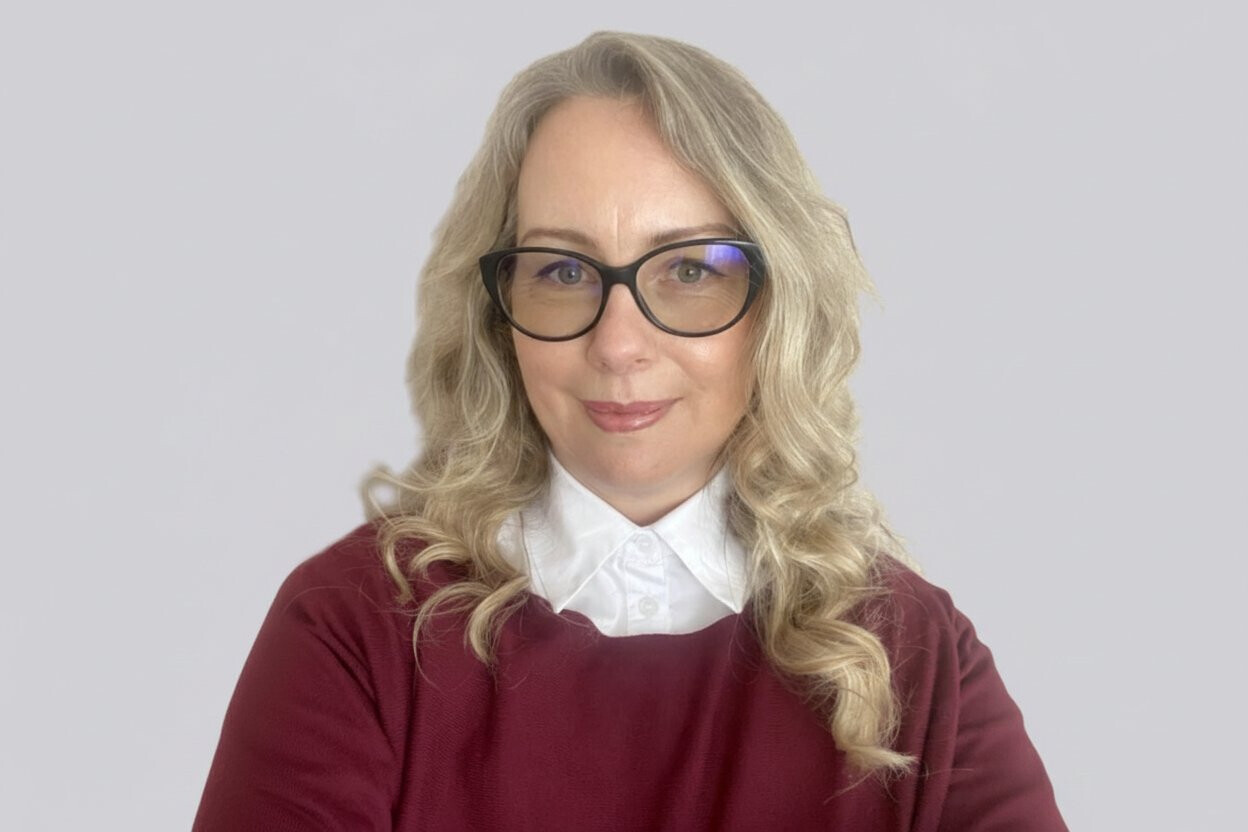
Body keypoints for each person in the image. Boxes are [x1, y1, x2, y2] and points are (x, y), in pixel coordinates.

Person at [193, 31, 1067, 831]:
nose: (618, 345)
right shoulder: (353, 629)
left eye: (690, 269)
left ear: (779, 304)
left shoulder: (913, 659)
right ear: (496, 309)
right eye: (562, 271)